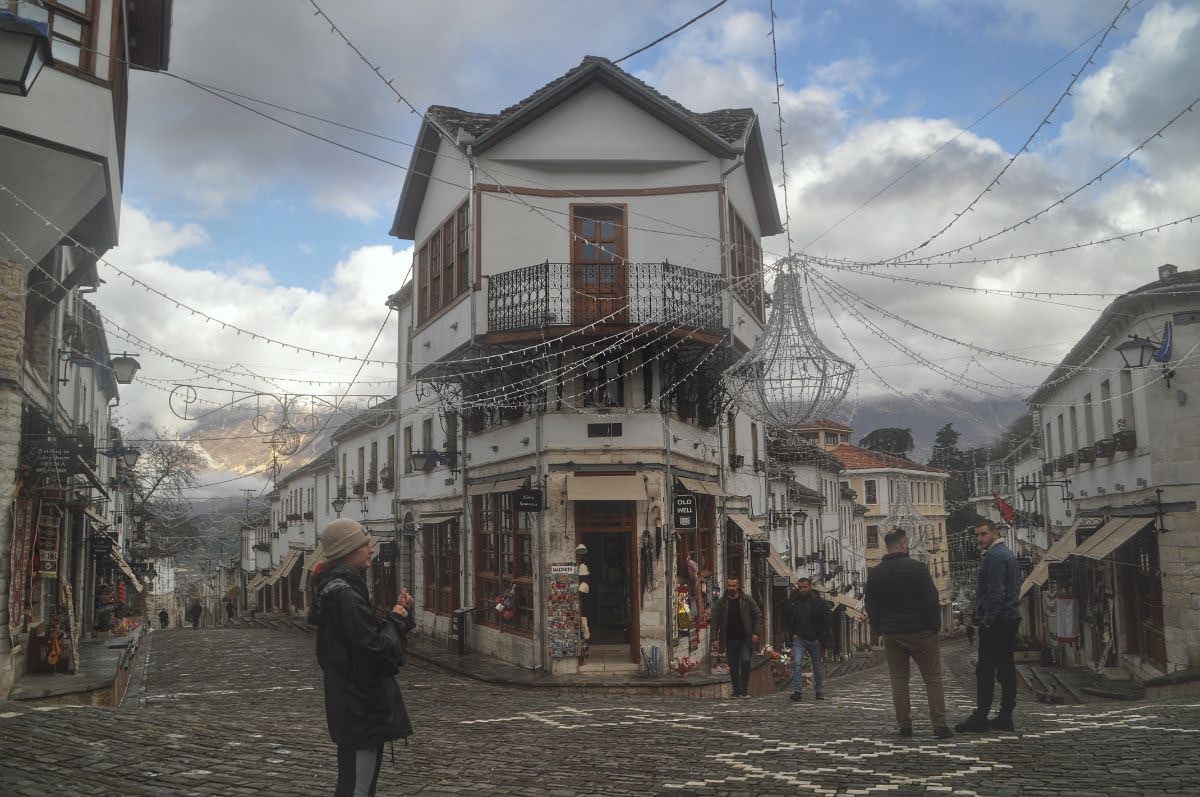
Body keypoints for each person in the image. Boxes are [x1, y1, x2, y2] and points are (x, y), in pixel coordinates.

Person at [312, 519, 414, 796]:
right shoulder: (346, 595)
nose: (371, 551)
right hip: (361, 710)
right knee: (357, 789)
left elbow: (361, 641)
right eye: (365, 546)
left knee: (354, 784)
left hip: (353, 706)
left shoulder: (339, 590)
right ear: (348, 551)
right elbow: (375, 651)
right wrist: (396, 619)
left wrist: (397, 616)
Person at [864, 528, 953, 739]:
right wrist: (934, 627)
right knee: (932, 678)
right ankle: (939, 725)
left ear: (888, 545)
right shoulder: (918, 568)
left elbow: (870, 605)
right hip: (921, 631)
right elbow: (931, 600)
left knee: (899, 680)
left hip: (892, 634)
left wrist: (880, 627)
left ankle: (904, 725)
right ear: (904, 543)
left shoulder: (876, 573)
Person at [956, 519, 1022, 733]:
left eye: (983, 534)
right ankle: (1005, 715)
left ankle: (981, 716)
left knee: (985, 671)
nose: (979, 539)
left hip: (998, 621)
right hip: (1009, 618)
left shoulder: (994, 557)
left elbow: (995, 592)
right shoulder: (1007, 554)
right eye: (977, 535)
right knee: (1006, 667)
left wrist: (986, 620)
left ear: (994, 533)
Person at [710, 578, 763, 698]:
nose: (731, 588)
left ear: (738, 585)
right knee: (733, 667)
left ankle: (744, 689)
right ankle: (736, 691)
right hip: (730, 639)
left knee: (745, 660)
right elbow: (714, 621)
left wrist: (756, 633)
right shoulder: (722, 602)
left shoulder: (746, 600)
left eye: (734, 585)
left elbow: (758, 616)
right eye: (729, 585)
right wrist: (714, 638)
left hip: (745, 638)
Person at [781, 578, 832, 702]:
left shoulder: (820, 603)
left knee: (817, 666)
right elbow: (786, 619)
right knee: (798, 663)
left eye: (804, 587)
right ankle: (797, 691)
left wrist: (821, 639)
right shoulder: (793, 603)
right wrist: (792, 635)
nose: (802, 590)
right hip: (799, 638)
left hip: (815, 640)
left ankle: (819, 691)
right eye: (800, 588)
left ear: (809, 587)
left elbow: (827, 622)